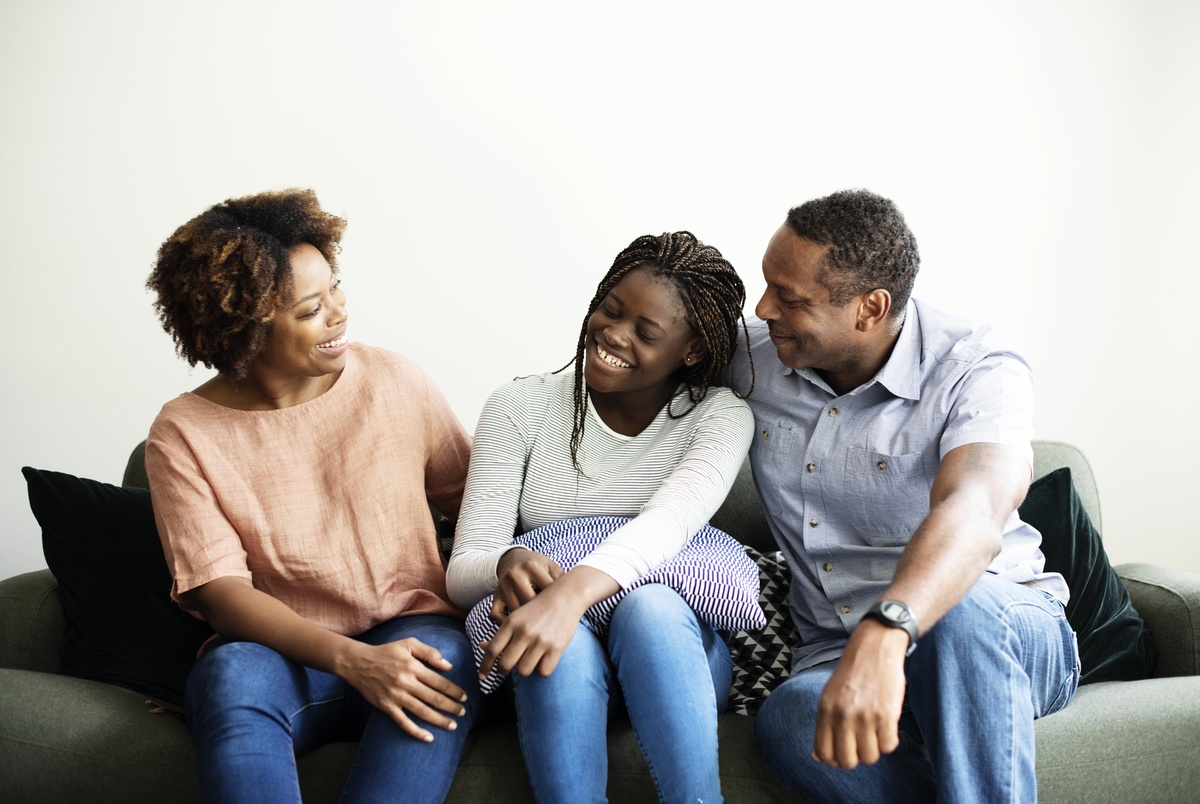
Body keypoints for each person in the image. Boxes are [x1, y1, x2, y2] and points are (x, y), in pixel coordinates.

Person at [727, 189, 1080, 803]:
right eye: (767, 286)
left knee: (959, 616)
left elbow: (974, 509)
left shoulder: (978, 367)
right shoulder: (757, 358)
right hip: (834, 651)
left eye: (790, 298)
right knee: (788, 718)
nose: (764, 309)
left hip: (999, 630)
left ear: (871, 307)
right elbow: (635, 352)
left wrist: (887, 629)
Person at [143, 188, 483, 803]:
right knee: (229, 672)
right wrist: (353, 662)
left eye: (336, 287)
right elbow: (221, 595)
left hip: (415, 632)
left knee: (439, 660)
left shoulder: (395, 381)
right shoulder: (182, 433)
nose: (339, 313)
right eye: (309, 309)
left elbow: (480, 508)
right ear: (244, 331)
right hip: (280, 658)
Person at [445, 231, 756, 803]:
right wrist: (507, 561)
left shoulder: (718, 418)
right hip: (554, 659)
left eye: (647, 331)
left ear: (690, 351)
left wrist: (566, 598)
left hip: (674, 661)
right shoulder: (519, 406)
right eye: (610, 309)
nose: (613, 334)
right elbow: (463, 570)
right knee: (556, 646)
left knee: (652, 605)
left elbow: (665, 527)